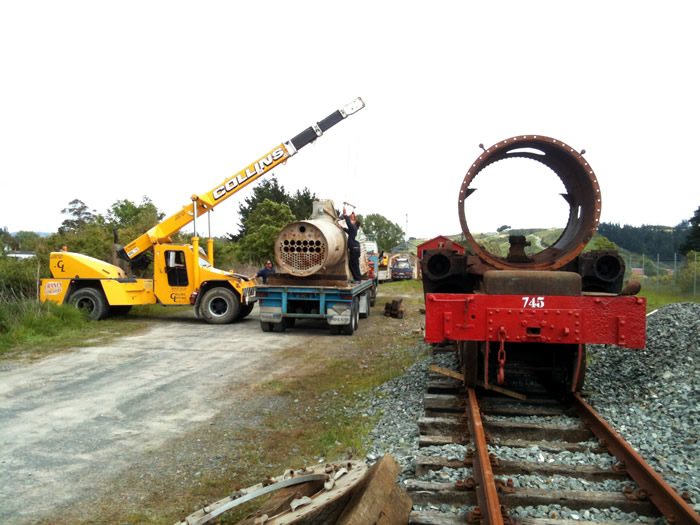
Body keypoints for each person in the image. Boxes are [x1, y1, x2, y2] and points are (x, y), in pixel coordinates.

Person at [341, 207, 362, 282]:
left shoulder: (353, 227)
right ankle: (357, 278)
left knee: (354, 264)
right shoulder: (354, 229)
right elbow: (349, 231)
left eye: (352, 220)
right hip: (355, 249)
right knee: (353, 264)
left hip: (354, 249)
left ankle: (358, 279)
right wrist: (343, 228)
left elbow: (348, 223)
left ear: (354, 222)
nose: (351, 220)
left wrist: (345, 214)